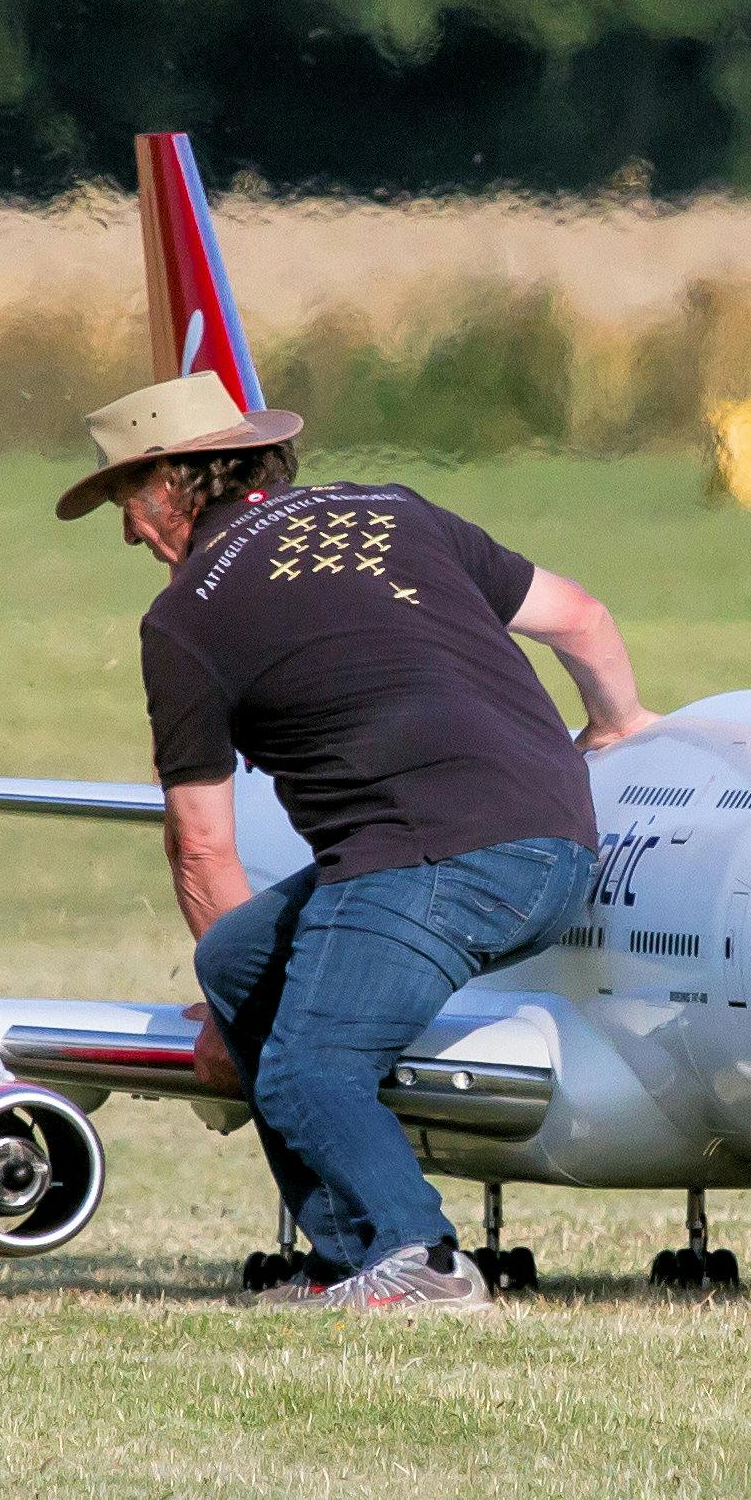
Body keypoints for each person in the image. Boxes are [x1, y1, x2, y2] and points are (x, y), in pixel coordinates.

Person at [58, 371, 655, 1315]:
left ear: (174, 480)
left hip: (433, 858)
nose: (129, 530)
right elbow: (579, 615)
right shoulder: (394, 510)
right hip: (557, 840)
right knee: (235, 956)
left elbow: (201, 847)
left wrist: (239, 1035)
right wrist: (618, 727)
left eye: (126, 500)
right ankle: (348, 1260)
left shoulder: (185, 619)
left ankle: (420, 1259)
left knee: (303, 1066)